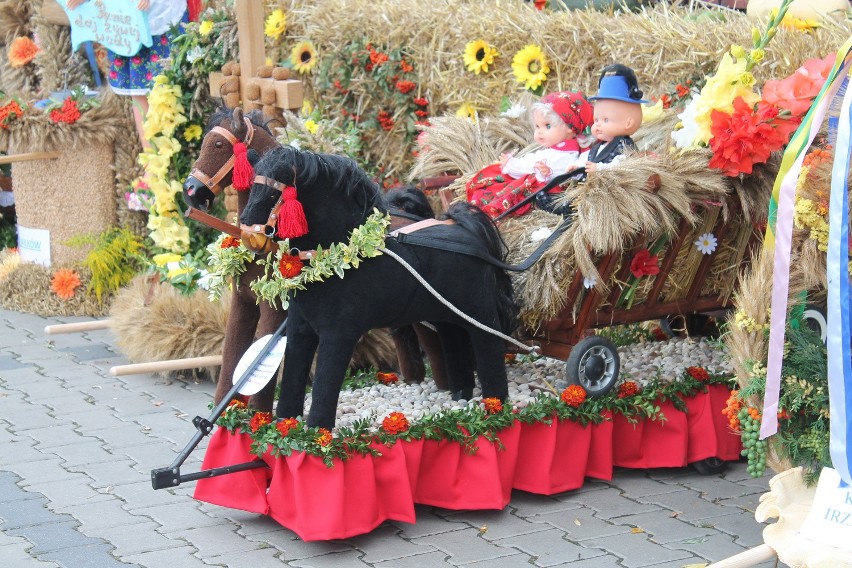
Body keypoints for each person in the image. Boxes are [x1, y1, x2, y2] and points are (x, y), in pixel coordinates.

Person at [65, 0, 190, 149]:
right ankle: (152, 159)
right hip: (125, 17)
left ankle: (182, 153)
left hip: (157, 14)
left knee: (170, 86)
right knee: (139, 91)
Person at [465, 91, 594, 218]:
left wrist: (514, 165)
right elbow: (533, 160)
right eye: (537, 126)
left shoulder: (566, 156)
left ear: (570, 127)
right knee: (496, 178)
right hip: (537, 180)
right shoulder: (556, 150)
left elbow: (534, 167)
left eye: (547, 126)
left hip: (544, 189)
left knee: (501, 190)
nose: (539, 132)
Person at [581, 64, 648, 173]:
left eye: (606, 120)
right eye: (596, 120)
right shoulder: (599, 146)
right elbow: (585, 158)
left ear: (628, 123)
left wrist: (599, 168)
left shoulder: (625, 146)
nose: (597, 125)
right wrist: (575, 166)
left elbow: (620, 166)